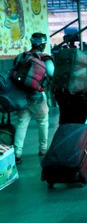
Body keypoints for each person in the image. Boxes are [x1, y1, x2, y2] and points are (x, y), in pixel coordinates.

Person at [12, 33, 54, 164]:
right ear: (43, 44)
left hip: (21, 97)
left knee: (21, 124)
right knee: (42, 121)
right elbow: (52, 74)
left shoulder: (22, 56)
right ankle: (43, 149)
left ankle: (17, 154)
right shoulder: (45, 58)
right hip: (37, 96)